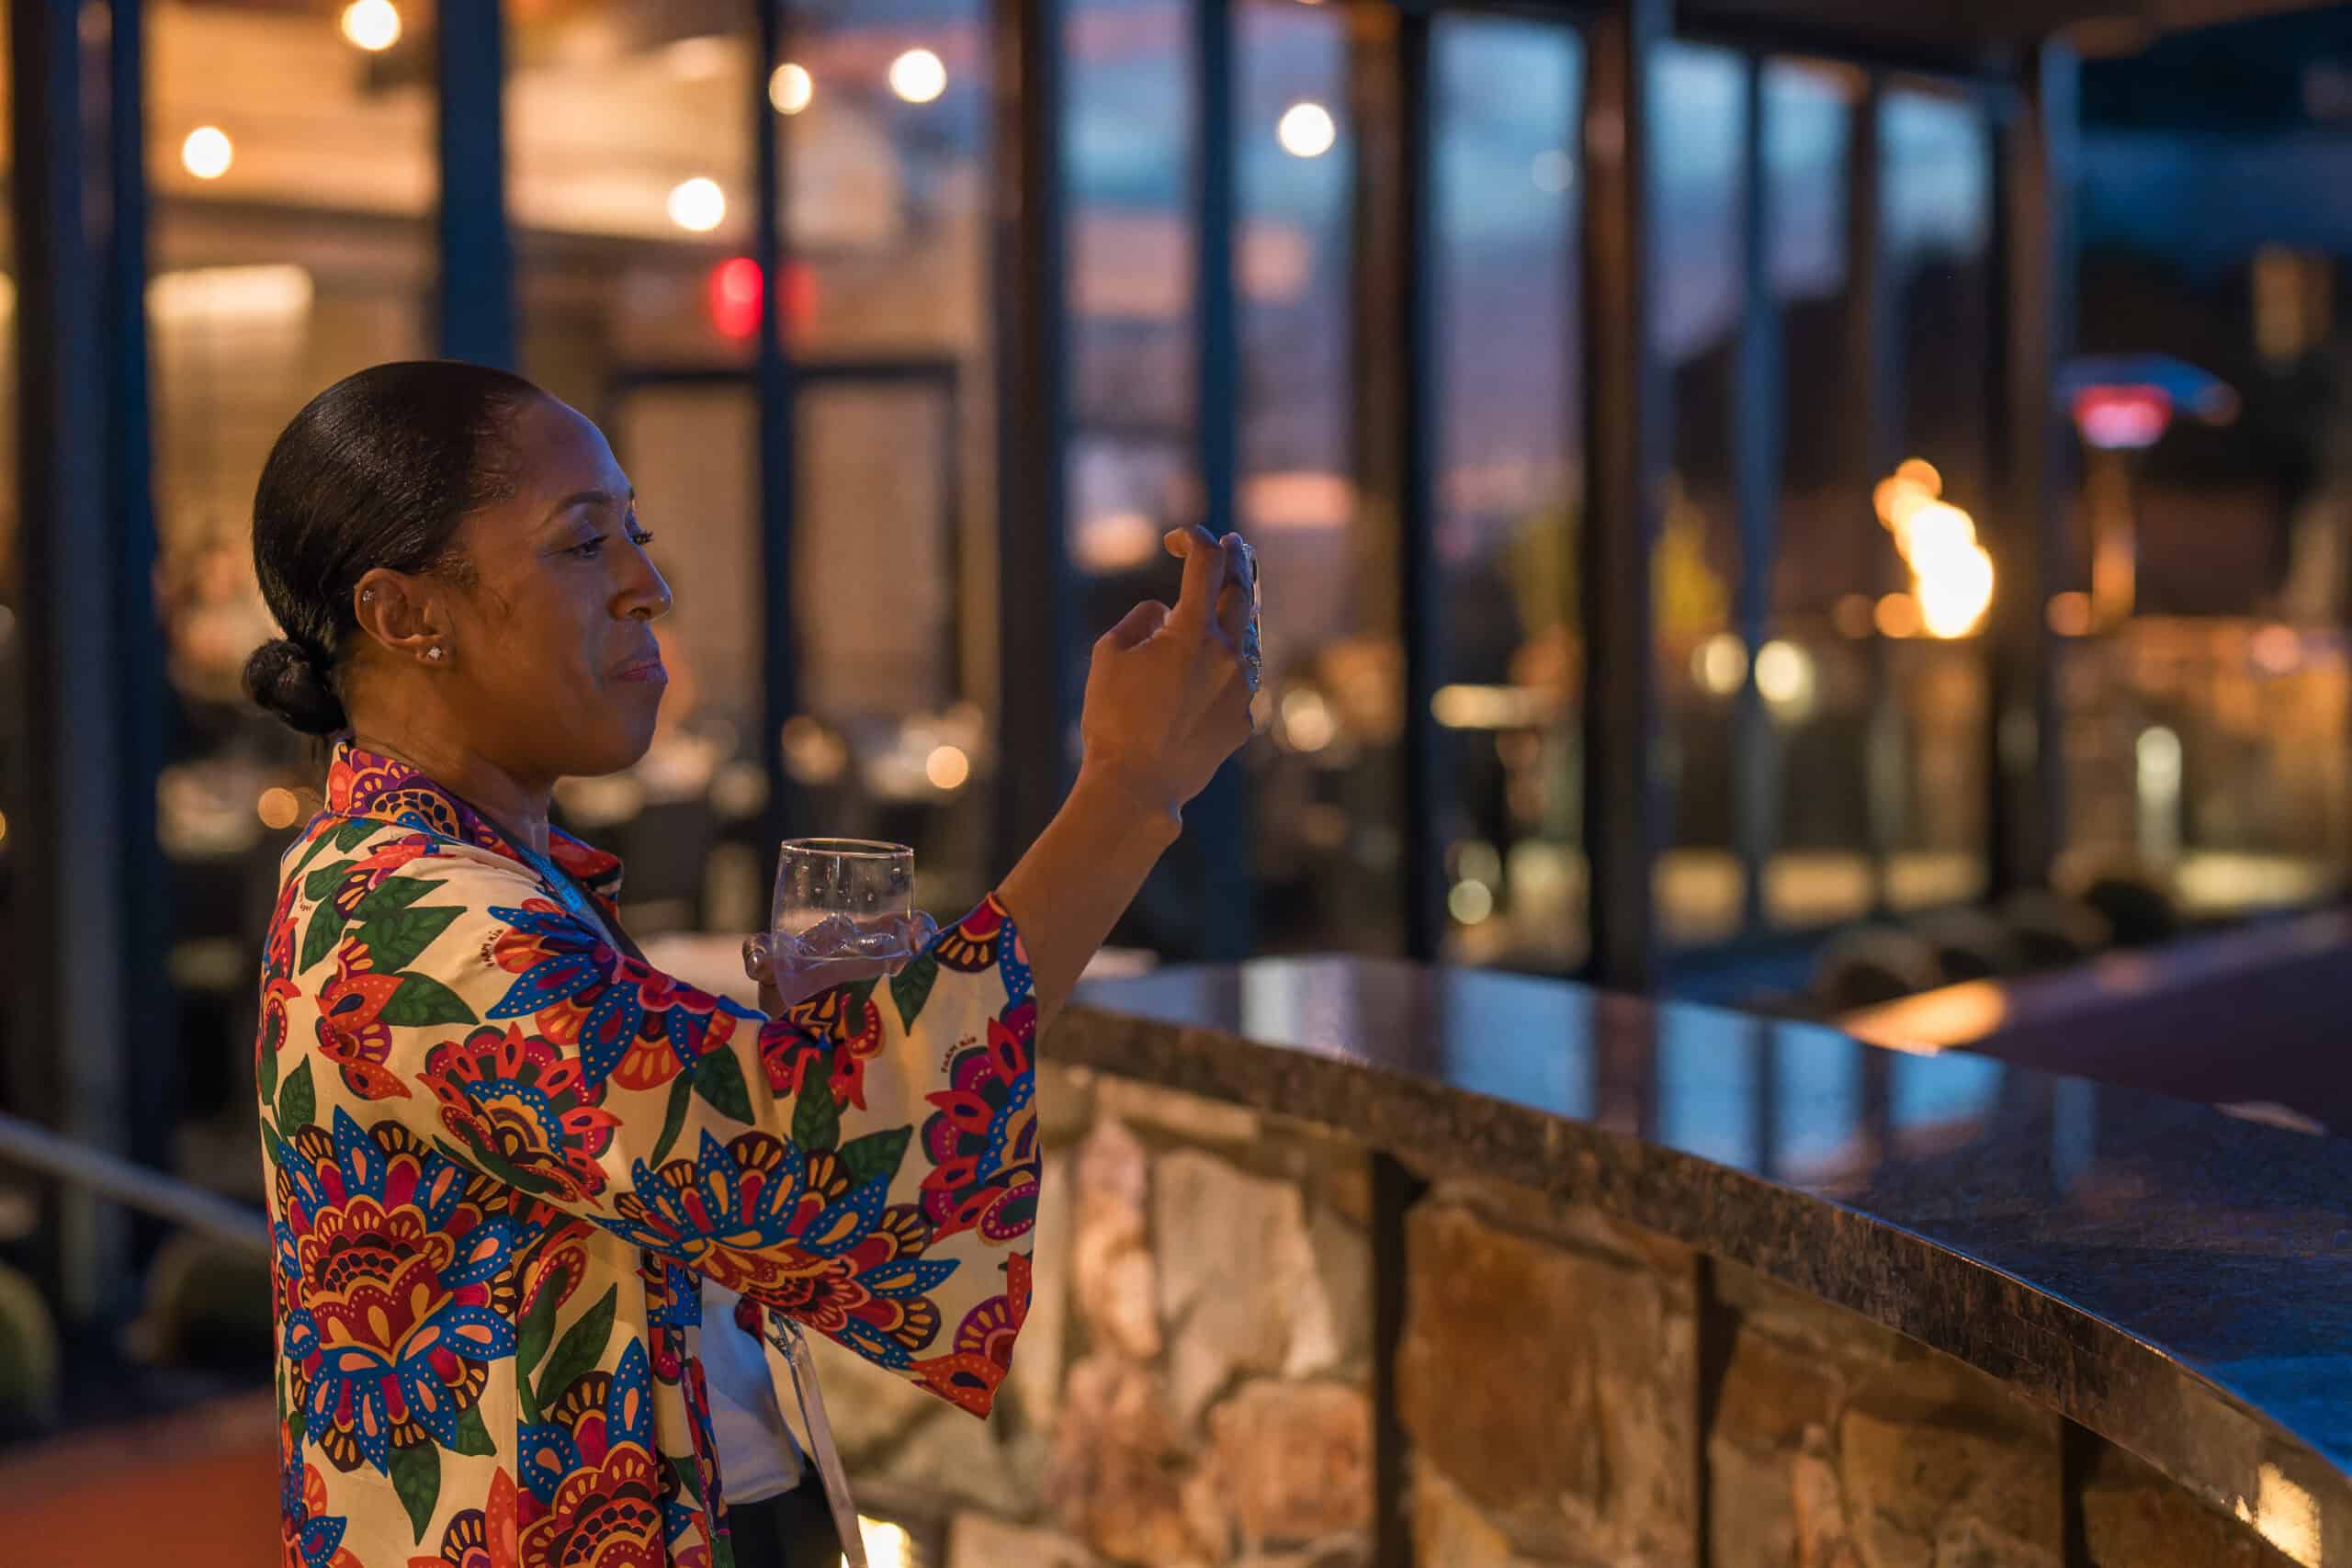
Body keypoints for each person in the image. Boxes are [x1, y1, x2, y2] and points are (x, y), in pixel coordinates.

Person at [245, 361, 1254, 1568]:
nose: (648, 588)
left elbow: (702, 1151)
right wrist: (1130, 791)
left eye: (639, 539)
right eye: (582, 547)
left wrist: (829, 1036)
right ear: (407, 615)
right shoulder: (409, 916)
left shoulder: (470, 873)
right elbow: (821, 1153)